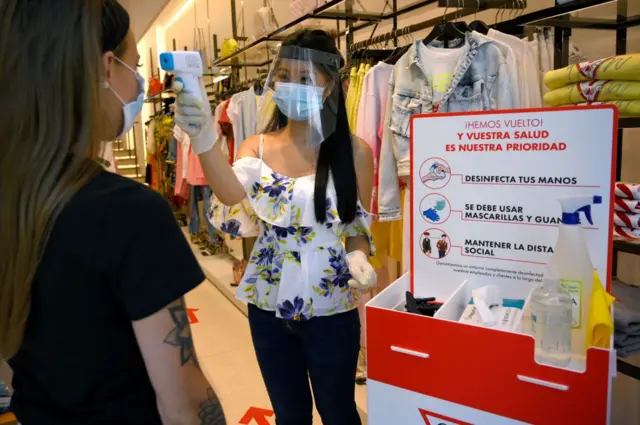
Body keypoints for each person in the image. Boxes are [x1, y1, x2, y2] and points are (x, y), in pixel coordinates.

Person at [0, 1, 225, 424]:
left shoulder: (15, 200)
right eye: (134, 67)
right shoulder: (131, 215)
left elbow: (11, 369)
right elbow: (183, 402)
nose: (140, 85)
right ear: (106, 68)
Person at [174, 29, 376, 425]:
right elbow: (231, 194)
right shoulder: (256, 147)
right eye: (283, 75)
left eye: (304, 78)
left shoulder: (354, 152)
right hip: (268, 303)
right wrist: (202, 138)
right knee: (289, 414)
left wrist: (358, 255)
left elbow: (357, 224)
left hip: (331, 304)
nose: (291, 86)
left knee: (338, 410)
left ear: (330, 83)